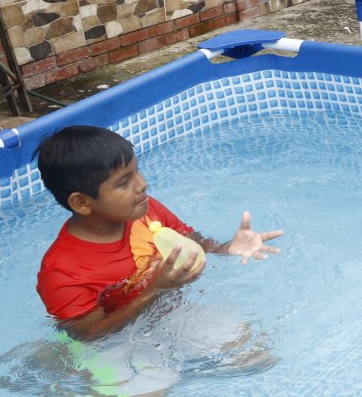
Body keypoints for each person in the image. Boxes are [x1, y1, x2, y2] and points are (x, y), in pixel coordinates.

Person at [36, 126, 283, 339]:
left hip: (168, 317)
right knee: (149, 394)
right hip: (117, 344)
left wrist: (224, 249)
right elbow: (89, 338)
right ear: (82, 203)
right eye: (124, 182)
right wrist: (156, 290)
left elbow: (188, 239)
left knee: (253, 350)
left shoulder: (143, 210)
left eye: (136, 171)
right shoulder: (64, 271)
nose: (142, 184)